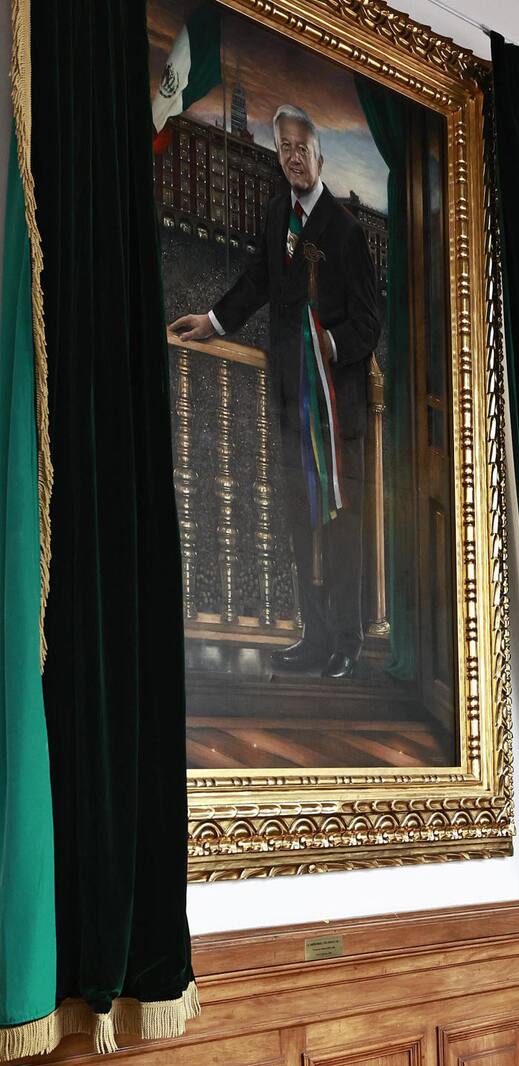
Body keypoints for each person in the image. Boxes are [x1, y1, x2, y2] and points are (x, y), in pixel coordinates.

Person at [171, 104, 381, 679]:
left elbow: (368, 324)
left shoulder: (346, 232)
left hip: (338, 414)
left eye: (302, 146)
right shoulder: (276, 217)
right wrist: (213, 321)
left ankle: (346, 640)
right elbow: (259, 279)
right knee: (299, 520)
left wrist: (326, 349)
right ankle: (313, 637)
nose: (292, 155)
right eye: (283, 146)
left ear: (320, 156)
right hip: (291, 404)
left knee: (340, 525)